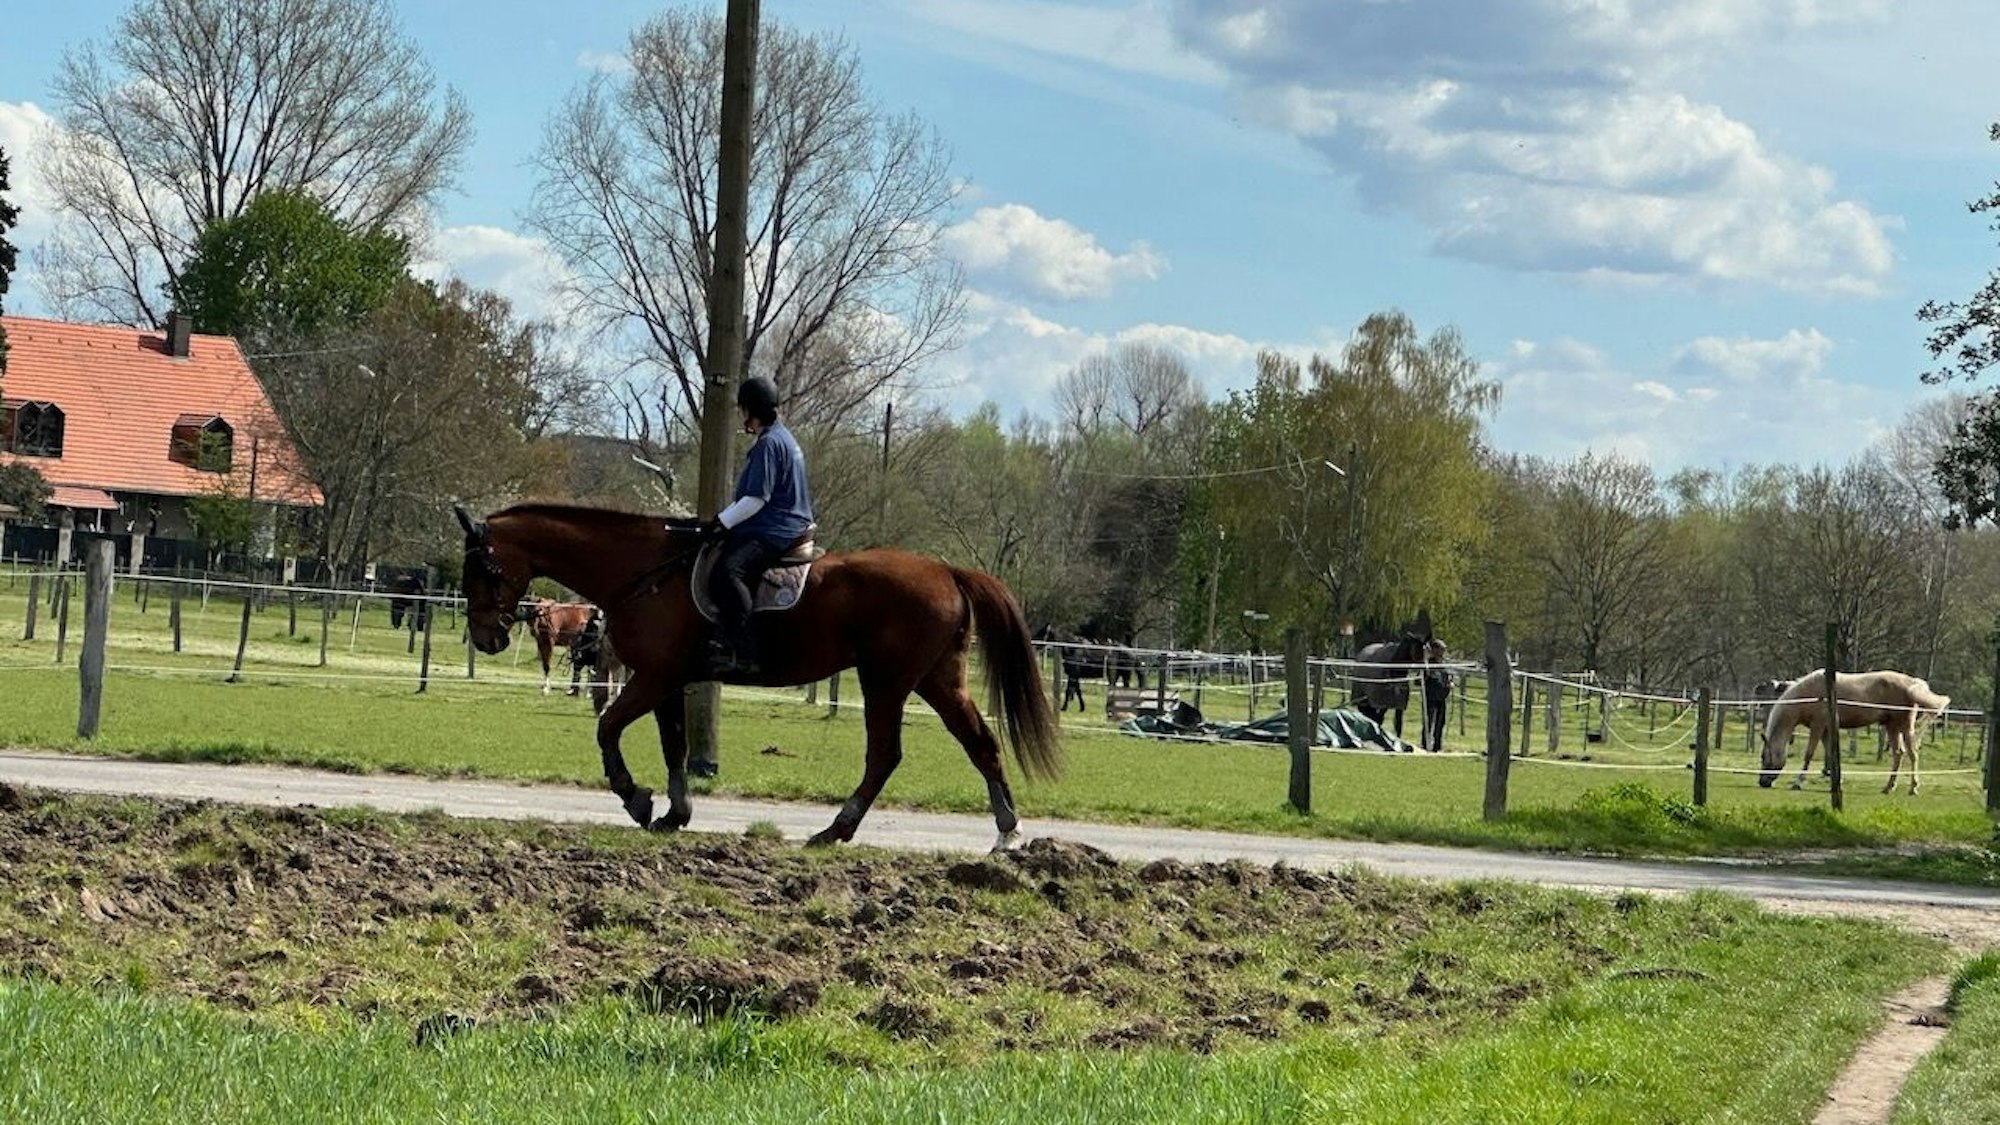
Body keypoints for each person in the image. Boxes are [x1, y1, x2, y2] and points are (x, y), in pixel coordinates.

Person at [698, 376, 814, 677]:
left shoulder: (769, 444)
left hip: (775, 528)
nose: (741, 415)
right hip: (780, 523)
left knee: (728, 572)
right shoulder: (782, 437)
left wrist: (721, 523)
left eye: (742, 409)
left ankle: (746, 651)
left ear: (751, 411)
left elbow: (756, 499)